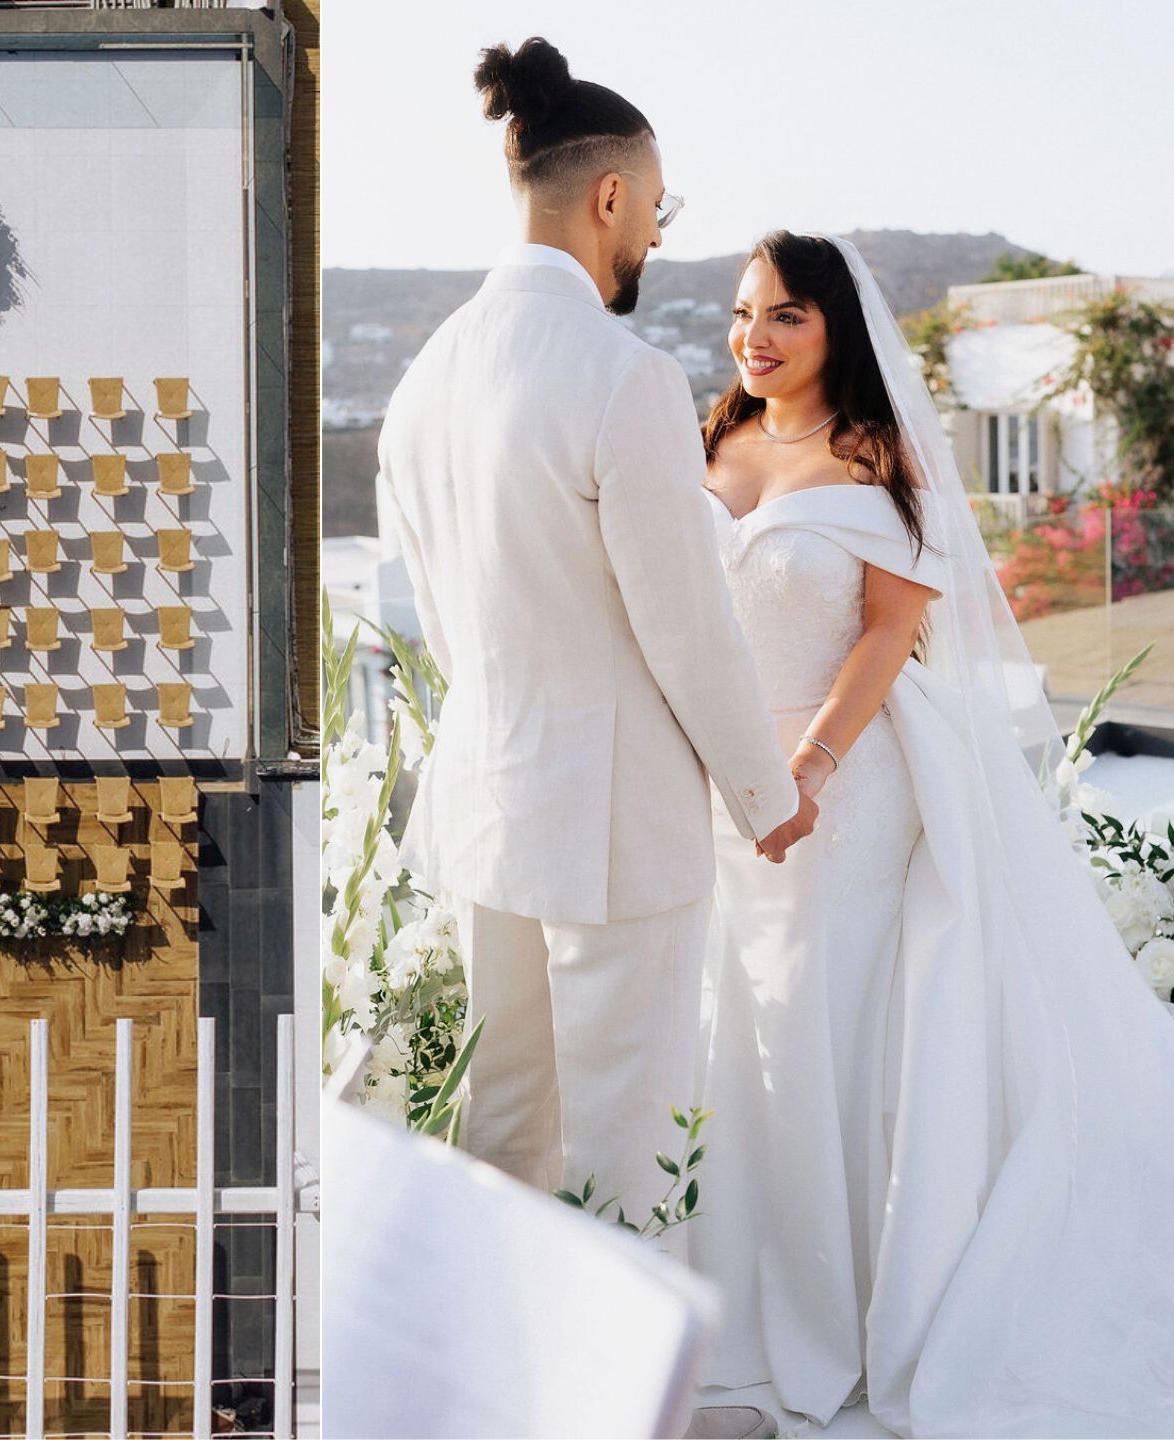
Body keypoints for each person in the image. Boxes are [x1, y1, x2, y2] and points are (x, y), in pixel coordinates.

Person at [375, 43, 814, 1437]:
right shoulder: (620, 372)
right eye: (662, 211)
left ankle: (494, 1403)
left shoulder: (424, 380)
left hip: (490, 812)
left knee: (504, 1132)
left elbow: (438, 619)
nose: (661, 240)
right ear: (610, 199)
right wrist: (765, 792)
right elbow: (685, 624)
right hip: (616, 821)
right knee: (628, 1140)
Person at [690, 229, 1174, 1437]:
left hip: (844, 779)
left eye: (785, 314)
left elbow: (882, 632)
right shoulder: (710, 442)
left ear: (836, 329)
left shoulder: (871, 451)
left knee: (829, 1014)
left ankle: (853, 1299)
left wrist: (806, 770)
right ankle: (746, 1288)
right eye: (744, 311)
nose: (754, 335)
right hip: (712, 783)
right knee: (742, 1020)